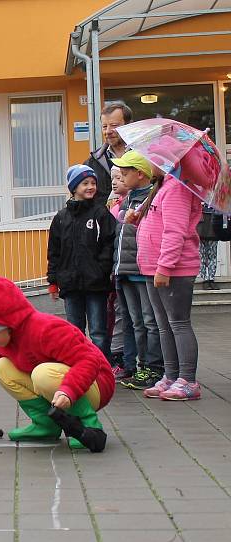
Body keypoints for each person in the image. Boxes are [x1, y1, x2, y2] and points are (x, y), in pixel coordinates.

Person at [0, 276, 115, 449]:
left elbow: (89, 360)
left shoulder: (46, 329)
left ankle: (88, 425)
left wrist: (68, 391)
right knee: (1, 368)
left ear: (5, 324)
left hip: (96, 383)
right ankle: (46, 425)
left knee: (42, 374)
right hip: (62, 385)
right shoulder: (3, 340)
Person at [130, 138, 220, 400]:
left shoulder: (178, 189)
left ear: (165, 161)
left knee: (178, 323)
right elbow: (157, 228)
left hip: (173, 269)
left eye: (150, 158)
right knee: (163, 325)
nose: (146, 164)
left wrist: (165, 267)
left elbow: (175, 233)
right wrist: (136, 220)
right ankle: (170, 376)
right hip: (153, 267)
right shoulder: (161, 187)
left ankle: (188, 380)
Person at [110, 150, 164, 391]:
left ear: (140, 174)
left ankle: (154, 367)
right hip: (125, 269)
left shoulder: (150, 198)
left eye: (125, 172)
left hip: (142, 269)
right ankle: (140, 366)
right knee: (135, 322)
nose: (120, 176)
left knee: (149, 321)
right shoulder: (129, 198)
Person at [47, 165, 115, 358]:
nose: (90, 187)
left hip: (96, 285)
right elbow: (54, 251)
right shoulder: (61, 218)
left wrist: (101, 270)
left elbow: (109, 244)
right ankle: (78, 365)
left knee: (98, 332)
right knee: (74, 332)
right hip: (70, 284)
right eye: (85, 183)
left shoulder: (101, 214)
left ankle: (102, 367)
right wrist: (53, 280)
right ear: (74, 187)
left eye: (93, 183)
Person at [107, 166, 137, 380]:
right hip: (118, 268)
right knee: (120, 314)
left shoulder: (130, 206)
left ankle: (127, 360)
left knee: (129, 317)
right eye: (113, 179)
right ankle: (121, 358)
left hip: (130, 268)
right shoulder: (116, 206)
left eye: (120, 177)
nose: (115, 182)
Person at [86, 101, 133, 204]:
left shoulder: (144, 157)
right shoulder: (92, 163)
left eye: (114, 125)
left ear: (128, 125)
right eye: (104, 126)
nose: (108, 131)